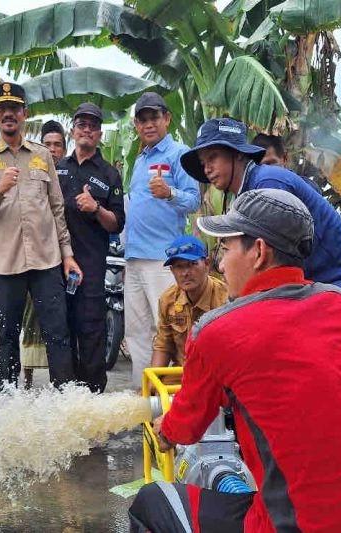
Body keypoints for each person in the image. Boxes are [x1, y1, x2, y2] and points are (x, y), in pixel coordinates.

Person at [149, 188, 341, 532]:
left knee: (152, 502)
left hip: (302, 525)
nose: (221, 263)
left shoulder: (216, 330)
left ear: (259, 251)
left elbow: (184, 427)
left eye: (226, 248)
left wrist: (163, 430)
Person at [180, 118, 341, 322]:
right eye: (203, 162)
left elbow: (271, 265)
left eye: (213, 157)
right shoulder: (248, 191)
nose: (207, 168)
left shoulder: (268, 184)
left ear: (238, 154)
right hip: (322, 287)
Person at [0, 82, 82, 388]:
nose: (9, 115)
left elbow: (57, 208)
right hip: (4, 266)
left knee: (58, 334)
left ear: (24, 114)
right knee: (5, 339)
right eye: (2, 109)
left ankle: (65, 402)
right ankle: (8, 406)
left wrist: (67, 256)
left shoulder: (42, 155)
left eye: (14, 109)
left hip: (46, 262)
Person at [124, 92, 201, 387]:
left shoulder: (179, 154)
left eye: (154, 117)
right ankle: (145, 400)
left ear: (167, 119)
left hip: (163, 259)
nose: (148, 124)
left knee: (169, 329)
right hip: (133, 257)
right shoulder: (140, 160)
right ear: (136, 125)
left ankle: (178, 401)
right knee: (136, 332)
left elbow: (194, 201)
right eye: (142, 120)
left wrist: (170, 193)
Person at [57, 102, 125, 392]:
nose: (87, 130)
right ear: (73, 131)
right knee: (61, 331)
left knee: (91, 331)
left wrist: (96, 208)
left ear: (99, 134)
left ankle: (93, 395)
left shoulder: (110, 174)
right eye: (81, 124)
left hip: (92, 267)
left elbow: (117, 223)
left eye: (93, 126)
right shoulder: (57, 168)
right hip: (56, 265)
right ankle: (66, 396)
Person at [20, 120, 70, 387]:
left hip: (62, 257)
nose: (52, 150)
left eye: (57, 145)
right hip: (34, 259)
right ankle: (26, 378)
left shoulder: (71, 173)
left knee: (58, 327)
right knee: (29, 320)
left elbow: (60, 213)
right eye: (47, 144)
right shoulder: (29, 169)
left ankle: (61, 384)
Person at [151, 235, 227, 369]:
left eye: (192, 264)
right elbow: (163, 345)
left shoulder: (226, 300)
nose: (185, 273)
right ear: (172, 271)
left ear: (207, 264)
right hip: (181, 375)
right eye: (178, 267)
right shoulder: (168, 300)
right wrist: (151, 386)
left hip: (216, 376)